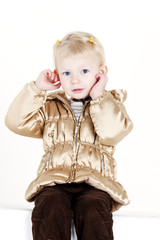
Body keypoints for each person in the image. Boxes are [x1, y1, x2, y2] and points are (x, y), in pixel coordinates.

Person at [5, 31, 133, 240]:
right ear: (58, 74)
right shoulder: (50, 108)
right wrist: (37, 89)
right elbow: (15, 122)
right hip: (55, 182)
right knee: (50, 207)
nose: (75, 80)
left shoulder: (111, 104)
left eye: (84, 71)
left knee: (93, 210)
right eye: (66, 73)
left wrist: (99, 96)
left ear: (100, 73)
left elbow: (113, 133)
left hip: (95, 183)